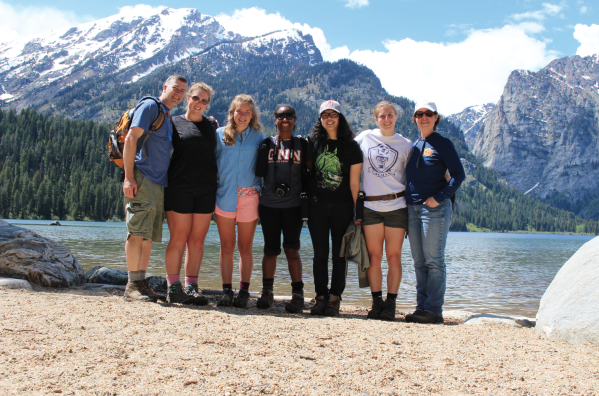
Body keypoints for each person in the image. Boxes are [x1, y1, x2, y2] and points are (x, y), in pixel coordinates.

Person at [122, 74, 187, 301]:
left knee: (147, 236)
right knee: (136, 233)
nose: (178, 94)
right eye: (175, 88)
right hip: (142, 177)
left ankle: (141, 283)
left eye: (182, 92)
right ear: (165, 87)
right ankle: (131, 285)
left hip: (159, 183)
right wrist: (129, 177)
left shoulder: (167, 115)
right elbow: (131, 138)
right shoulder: (151, 106)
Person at [404, 100, 465, 324]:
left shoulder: (443, 143)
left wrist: (439, 198)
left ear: (436, 117)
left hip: (435, 210)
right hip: (412, 209)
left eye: (428, 113)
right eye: (419, 114)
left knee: (434, 260)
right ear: (414, 119)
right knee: (419, 262)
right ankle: (421, 308)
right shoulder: (416, 145)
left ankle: (434, 311)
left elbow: (459, 175)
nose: (423, 117)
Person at [355, 101, 412, 321]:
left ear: (396, 116)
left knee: (394, 257)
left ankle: (391, 303)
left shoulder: (405, 145)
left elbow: (417, 171)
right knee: (374, 257)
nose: (386, 119)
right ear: (375, 119)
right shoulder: (364, 138)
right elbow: (345, 150)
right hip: (371, 206)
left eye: (390, 115)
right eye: (382, 116)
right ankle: (376, 301)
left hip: (397, 206)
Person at [163, 82, 218, 305]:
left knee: (197, 240)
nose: (200, 103)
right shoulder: (173, 122)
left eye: (204, 101)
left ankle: (192, 287)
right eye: (196, 98)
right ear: (187, 98)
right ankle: (173, 288)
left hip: (206, 189)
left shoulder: (212, 126)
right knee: (178, 238)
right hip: (179, 187)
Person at [307, 100, 363, 316]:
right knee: (319, 254)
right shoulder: (313, 144)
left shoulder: (352, 147)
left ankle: (335, 298)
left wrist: (358, 213)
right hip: (317, 207)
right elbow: (309, 172)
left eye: (334, 114)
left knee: (339, 256)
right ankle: (320, 297)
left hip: (342, 208)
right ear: (320, 120)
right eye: (325, 115)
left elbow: (354, 183)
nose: (329, 118)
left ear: (340, 118)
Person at [254, 104, 310, 313]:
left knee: (292, 250)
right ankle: (267, 292)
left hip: (293, 206)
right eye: (280, 116)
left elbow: (311, 173)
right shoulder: (266, 144)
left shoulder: (303, 145)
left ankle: (298, 295)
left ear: (295, 120)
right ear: (274, 119)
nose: (285, 119)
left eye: (289, 116)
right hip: (268, 204)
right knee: (270, 250)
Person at [214, 94, 265, 308]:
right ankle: (226, 290)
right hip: (224, 196)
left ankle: (244, 291)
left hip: (249, 198)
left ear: (252, 115)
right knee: (227, 246)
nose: (242, 115)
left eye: (247, 112)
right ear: (232, 113)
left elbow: (264, 169)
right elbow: (212, 165)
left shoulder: (259, 137)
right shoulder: (219, 135)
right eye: (239, 111)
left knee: (245, 247)